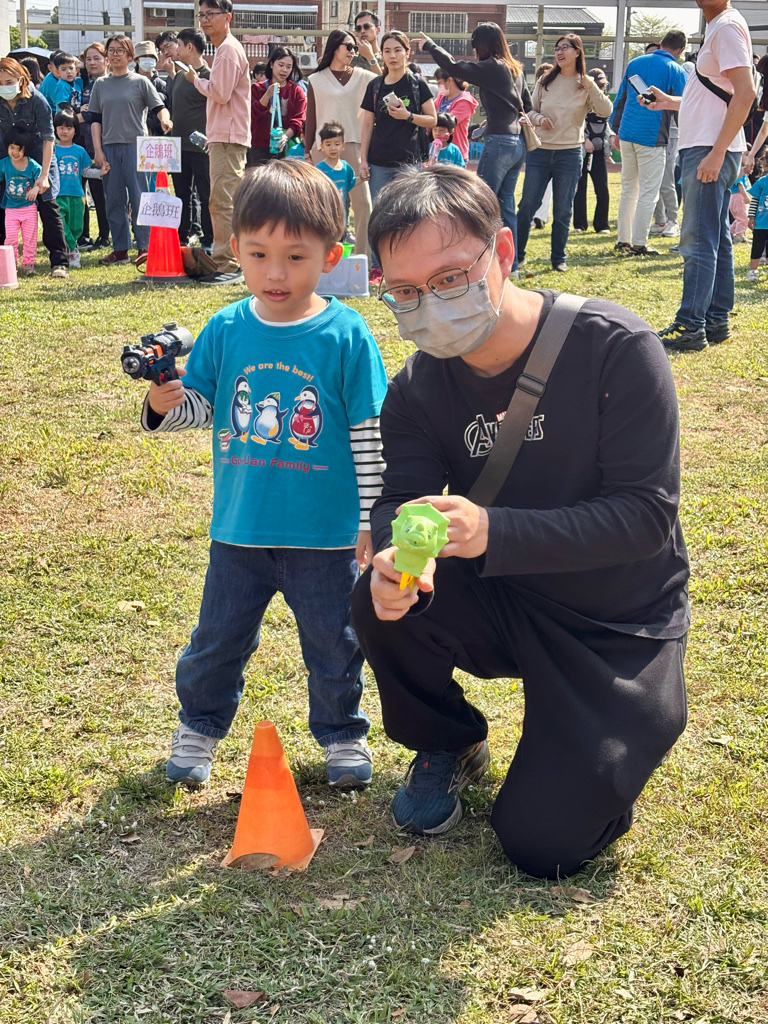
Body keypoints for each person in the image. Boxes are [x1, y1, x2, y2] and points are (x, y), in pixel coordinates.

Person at [350, 165, 689, 879]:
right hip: (506, 599)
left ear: (502, 252)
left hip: (616, 624)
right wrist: (395, 559)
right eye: (404, 291)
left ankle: (599, 745)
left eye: (449, 278)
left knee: (542, 844)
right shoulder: (416, 389)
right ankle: (448, 740)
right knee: (375, 598)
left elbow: (646, 517)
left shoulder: (614, 347)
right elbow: (401, 501)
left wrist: (494, 531)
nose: (428, 304)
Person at [141, 161, 388, 789]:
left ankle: (342, 735)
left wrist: (371, 519)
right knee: (216, 640)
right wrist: (164, 402)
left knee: (335, 644)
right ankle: (198, 727)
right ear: (235, 249)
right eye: (258, 255)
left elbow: (368, 433)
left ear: (331, 256)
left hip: (326, 537)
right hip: (240, 532)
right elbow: (203, 409)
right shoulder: (226, 328)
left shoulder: (346, 333)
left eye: (295, 257)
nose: (276, 273)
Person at [650, 0, 755, 352]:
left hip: (710, 147)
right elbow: (720, 94)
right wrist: (669, 101)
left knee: (698, 239)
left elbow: (746, 93)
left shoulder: (725, 26)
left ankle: (691, 325)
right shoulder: (719, 26)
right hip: (711, 145)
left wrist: (717, 151)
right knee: (715, 237)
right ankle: (715, 320)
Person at [420, 23, 530, 274]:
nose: (473, 50)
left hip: (499, 142)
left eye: (474, 44)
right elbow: (526, 104)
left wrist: (430, 46)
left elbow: (455, 67)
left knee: (481, 203)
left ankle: (480, 261)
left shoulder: (493, 66)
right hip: (517, 143)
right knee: (506, 206)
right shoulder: (515, 69)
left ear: (483, 44)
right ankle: (511, 265)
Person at [516, 34, 613, 273]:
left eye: (565, 48)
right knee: (527, 206)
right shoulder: (545, 81)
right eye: (557, 48)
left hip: (569, 154)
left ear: (577, 52)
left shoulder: (585, 84)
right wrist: (540, 119)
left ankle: (558, 258)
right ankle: (518, 256)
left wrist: (591, 85)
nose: (559, 52)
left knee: (563, 210)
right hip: (540, 152)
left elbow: (605, 110)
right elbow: (529, 112)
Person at [359, 30, 437, 282]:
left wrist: (408, 116)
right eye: (387, 51)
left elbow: (432, 119)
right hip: (378, 162)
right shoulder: (375, 85)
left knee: (410, 214)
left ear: (407, 52)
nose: (392, 56)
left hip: (409, 161)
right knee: (380, 214)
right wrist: (363, 159)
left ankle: (410, 264)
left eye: (397, 50)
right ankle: (378, 266)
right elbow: (367, 124)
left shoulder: (417, 84)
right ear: (381, 55)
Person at [88, 34, 172, 266]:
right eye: (111, 50)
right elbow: (95, 120)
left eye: (120, 50)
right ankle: (120, 249)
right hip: (109, 148)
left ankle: (144, 246)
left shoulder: (140, 82)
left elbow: (159, 107)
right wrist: (98, 150)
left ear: (130, 55)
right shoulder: (100, 85)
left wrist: (165, 120)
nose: (115, 54)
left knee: (140, 197)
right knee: (114, 199)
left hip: (138, 147)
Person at [185, 0, 250, 286]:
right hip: (225, 136)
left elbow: (220, 93)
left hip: (228, 136)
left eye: (211, 14)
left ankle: (229, 263)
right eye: (202, 14)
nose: (205, 20)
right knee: (222, 200)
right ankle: (229, 260)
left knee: (223, 201)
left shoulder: (227, 50)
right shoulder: (225, 49)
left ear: (228, 17)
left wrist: (196, 80)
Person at [611, 31, 688, 257]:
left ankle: (623, 240)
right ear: (681, 50)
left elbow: (620, 99)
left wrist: (616, 130)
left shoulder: (635, 62)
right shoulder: (676, 70)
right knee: (648, 192)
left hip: (626, 132)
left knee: (628, 189)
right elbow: (684, 106)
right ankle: (639, 243)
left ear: (661, 43)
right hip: (652, 137)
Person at [305, 29, 376, 257]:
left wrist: (370, 56)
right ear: (335, 47)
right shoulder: (316, 79)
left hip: (353, 144)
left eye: (355, 47)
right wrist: (307, 151)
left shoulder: (363, 76)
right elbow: (311, 117)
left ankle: (363, 259)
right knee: (325, 205)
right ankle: (324, 256)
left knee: (363, 204)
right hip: (322, 148)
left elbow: (386, 80)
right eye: (349, 46)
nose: (353, 51)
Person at [0, 57, 70, 279]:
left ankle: (59, 262)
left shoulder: (37, 100)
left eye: (9, 82)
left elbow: (49, 138)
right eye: (0, 83)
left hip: (39, 155)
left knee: (48, 206)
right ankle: (5, 262)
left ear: (21, 79)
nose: (4, 87)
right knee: (2, 206)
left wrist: (44, 175)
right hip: (6, 156)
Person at [171, 28, 213, 251]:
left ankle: (209, 238)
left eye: (178, 44)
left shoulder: (209, 76)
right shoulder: (180, 75)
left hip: (202, 149)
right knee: (181, 195)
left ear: (190, 47)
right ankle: (182, 236)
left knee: (206, 195)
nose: (176, 49)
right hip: (178, 148)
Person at [77, 42, 110, 250]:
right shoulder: (84, 86)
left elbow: (96, 114)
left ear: (107, 60)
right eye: (88, 59)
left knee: (104, 196)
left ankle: (105, 235)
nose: (92, 62)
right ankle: (84, 236)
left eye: (96, 58)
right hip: (83, 148)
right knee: (84, 194)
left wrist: (82, 115)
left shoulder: (111, 84)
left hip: (106, 147)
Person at [573, 68, 614, 233]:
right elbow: (576, 121)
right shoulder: (581, 99)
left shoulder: (604, 101)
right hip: (582, 150)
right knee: (580, 188)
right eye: (598, 84)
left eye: (603, 85)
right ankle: (579, 224)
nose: (601, 87)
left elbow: (606, 124)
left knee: (602, 188)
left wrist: (610, 139)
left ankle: (602, 224)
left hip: (599, 150)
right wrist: (585, 140)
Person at [249, 47, 306, 167]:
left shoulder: (297, 91)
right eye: (281, 65)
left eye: (289, 67)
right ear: (271, 64)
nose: (284, 70)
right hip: (260, 147)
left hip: (285, 147)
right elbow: (252, 115)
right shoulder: (257, 88)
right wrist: (267, 95)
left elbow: (299, 119)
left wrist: (285, 136)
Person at [53, 108, 91, 268]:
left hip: (77, 195)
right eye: (61, 127)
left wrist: (100, 173)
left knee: (76, 227)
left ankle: (70, 247)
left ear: (75, 130)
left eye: (69, 128)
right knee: (60, 225)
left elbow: (86, 171)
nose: (65, 131)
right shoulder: (52, 150)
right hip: (58, 195)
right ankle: (72, 250)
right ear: (55, 129)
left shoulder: (80, 151)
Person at [0, 127, 41, 274]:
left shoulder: (32, 165)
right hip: (11, 209)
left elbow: (44, 180)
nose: (15, 152)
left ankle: (28, 264)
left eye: (19, 149)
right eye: (12, 147)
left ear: (26, 149)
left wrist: (36, 189)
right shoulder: (4, 163)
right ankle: (10, 265)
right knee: (10, 238)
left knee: (30, 239)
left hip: (29, 208)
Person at [315, 121, 356, 238]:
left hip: (341, 217)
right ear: (322, 146)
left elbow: (350, 183)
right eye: (328, 144)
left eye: (337, 144)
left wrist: (363, 178)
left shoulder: (345, 167)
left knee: (340, 242)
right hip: (324, 217)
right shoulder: (319, 169)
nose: (333, 148)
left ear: (343, 146)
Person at [432, 69, 477, 162]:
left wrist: (428, 119)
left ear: (449, 80)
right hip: (437, 151)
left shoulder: (465, 101)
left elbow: (448, 122)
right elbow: (429, 111)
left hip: (455, 153)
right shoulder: (441, 97)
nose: (438, 86)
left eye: (440, 82)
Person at [133, 42, 170, 137]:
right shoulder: (130, 83)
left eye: (151, 57)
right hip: (134, 135)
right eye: (144, 56)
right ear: (136, 59)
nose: (148, 60)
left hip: (158, 137)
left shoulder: (162, 85)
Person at [746, 163, 768, 280]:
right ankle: (753, 271)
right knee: (757, 248)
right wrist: (751, 217)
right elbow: (754, 201)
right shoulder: (761, 182)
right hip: (761, 224)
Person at [352, 10, 384, 76]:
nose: (362, 31)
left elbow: (383, 82)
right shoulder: (351, 58)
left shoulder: (386, 58)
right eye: (358, 28)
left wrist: (370, 57)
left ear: (378, 30)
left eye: (367, 26)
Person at [728, 159, 751, 242]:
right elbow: (739, 184)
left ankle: (729, 232)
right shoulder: (739, 170)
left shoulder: (737, 169)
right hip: (739, 196)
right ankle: (739, 236)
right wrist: (745, 196)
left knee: (739, 218)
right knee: (744, 218)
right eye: (746, 155)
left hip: (733, 196)